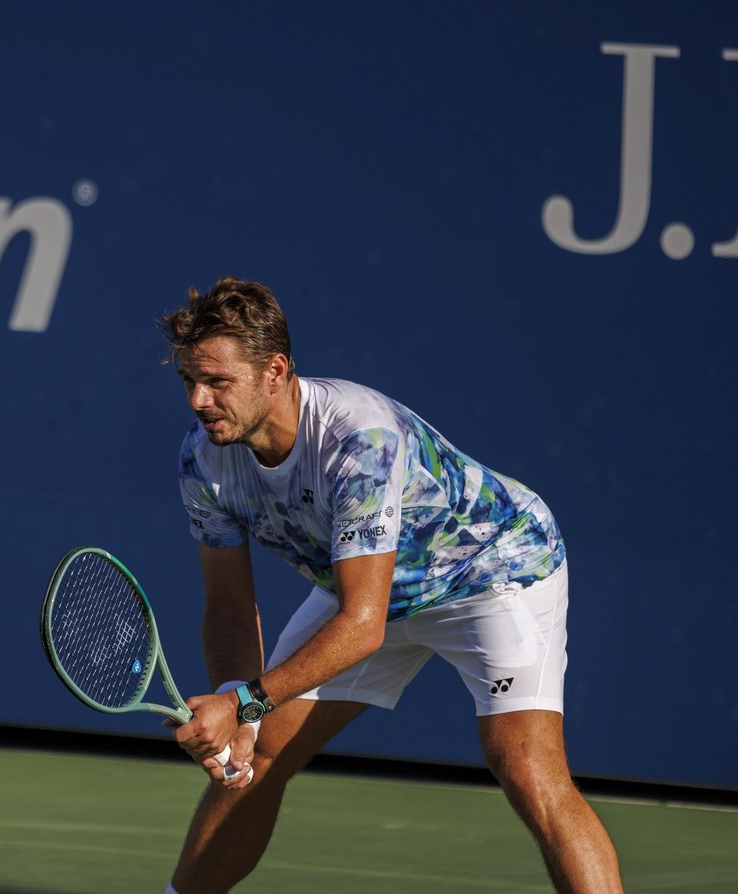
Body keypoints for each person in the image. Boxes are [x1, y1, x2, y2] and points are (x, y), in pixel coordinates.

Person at [156, 277, 624, 894]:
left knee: (529, 770)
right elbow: (231, 607)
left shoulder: (358, 438)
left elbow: (361, 626)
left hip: (490, 570)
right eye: (190, 379)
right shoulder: (204, 460)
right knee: (259, 755)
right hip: (362, 581)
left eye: (217, 381)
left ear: (274, 371)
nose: (198, 398)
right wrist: (239, 704)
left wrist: (245, 703)